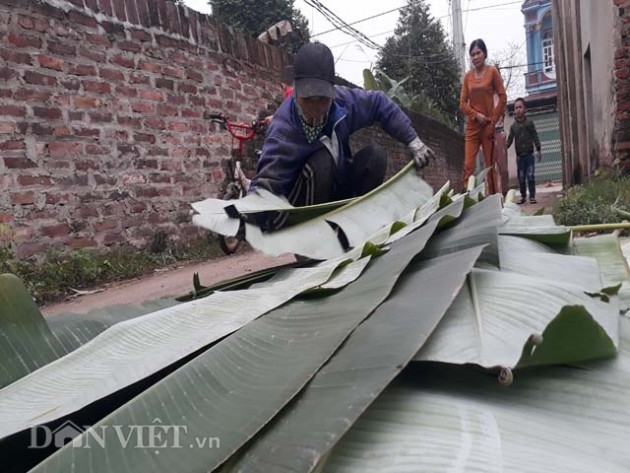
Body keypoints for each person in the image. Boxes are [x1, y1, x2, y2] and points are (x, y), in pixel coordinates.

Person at [249, 42, 435, 231]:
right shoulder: (283, 130)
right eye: (307, 99)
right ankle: (315, 241)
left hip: (337, 191)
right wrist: (248, 214)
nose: (315, 107)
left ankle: (351, 228)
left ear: (332, 91)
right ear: (296, 91)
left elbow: (379, 102)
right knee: (321, 161)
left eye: (322, 99)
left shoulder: (343, 103)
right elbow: (267, 181)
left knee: (375, 156)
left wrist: (413, 141)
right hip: (301, 211)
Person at [459, 39, 507, 194]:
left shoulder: (492, 72)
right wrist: (475, 115)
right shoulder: (468, 77)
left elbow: (502, 97)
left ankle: (495, 202)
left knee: (490, 167)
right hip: (473, 127)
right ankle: (466, 201)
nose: (475, 57)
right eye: (472, 54)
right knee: (468, 166)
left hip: (488, 126)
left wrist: (493, 120)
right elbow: (462, 104)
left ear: (484, 54)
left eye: (478, 53)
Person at [506, 97, 542, 204]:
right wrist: (504, 148)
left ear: (524, 109)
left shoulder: (529, 123)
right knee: (521, 177)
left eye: (520, 107)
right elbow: (510, 139)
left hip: (529, 156)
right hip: (520, 157)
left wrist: (538, 149)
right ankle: (523, 196)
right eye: (516, 108)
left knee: (530, 176)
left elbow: (535, 136)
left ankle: (532, 196)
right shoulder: (513, 127)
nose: (518, 109)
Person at [492, 92, 509, 196]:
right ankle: (492, 196)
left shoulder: (501, 96)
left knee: (503, 169)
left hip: (499, 134)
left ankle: (505, 193)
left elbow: (502, 115)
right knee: (490, 169)